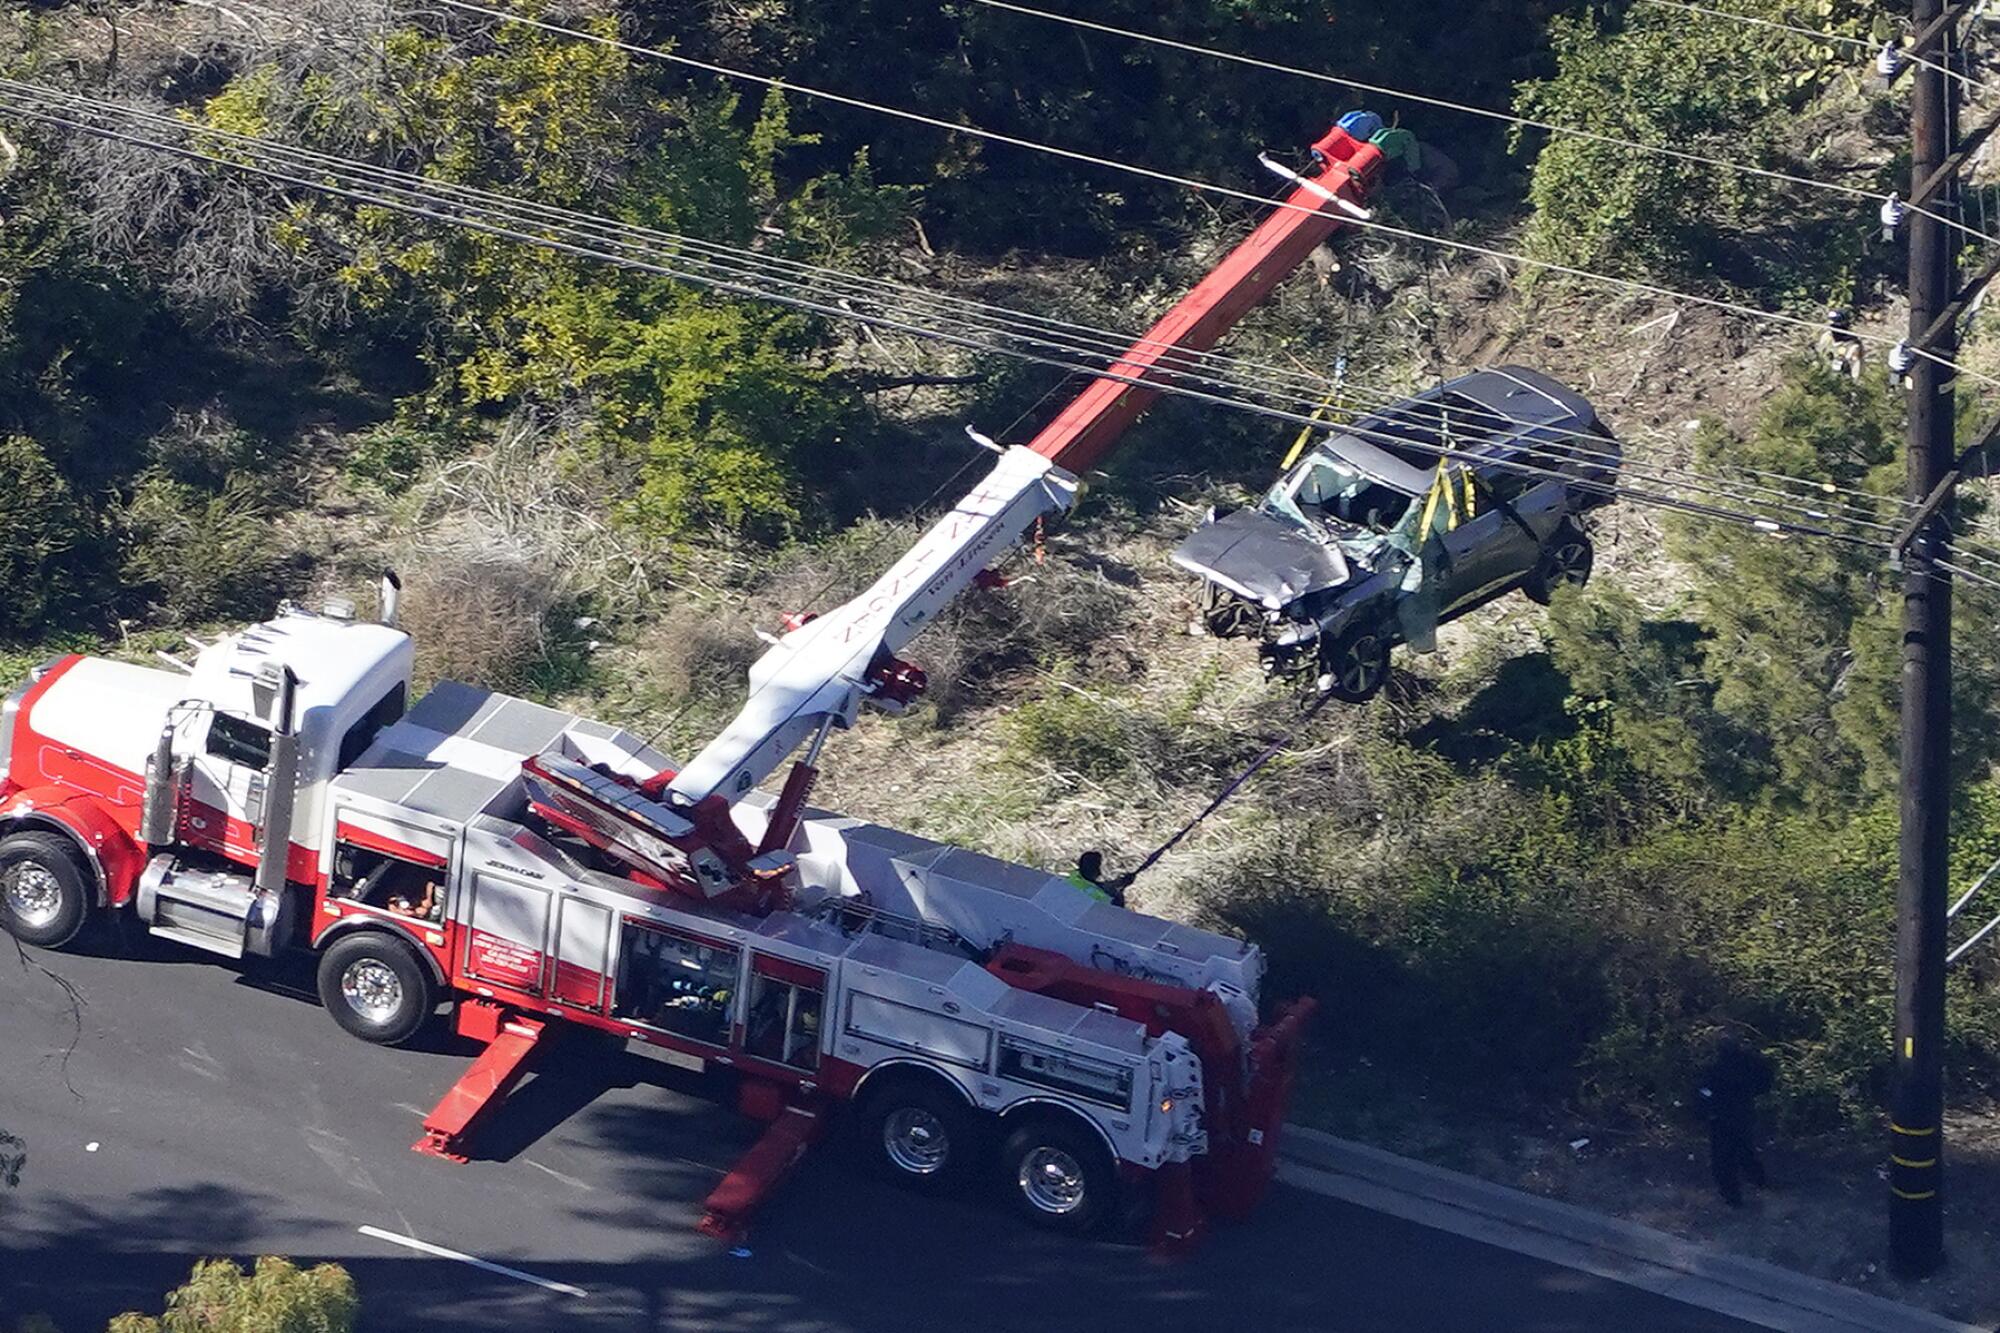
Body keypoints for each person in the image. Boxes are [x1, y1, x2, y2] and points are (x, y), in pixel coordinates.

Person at [1697, 1034, 1774, 1207]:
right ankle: (1758, 1180)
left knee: (1723, 1159)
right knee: (1745, 1149)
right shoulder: (1749, 1064)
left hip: (1721, 1118)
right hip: (1743, 1114)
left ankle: (1733, 1198)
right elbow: (1766, 1079)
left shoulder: (1715, 1069)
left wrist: (1705, 1111)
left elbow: (1704, 1092)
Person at [1067, 850, 1134, 908]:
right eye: (1098, 867)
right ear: (1094, 870)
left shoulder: (1072, 879)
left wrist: (1118, 883)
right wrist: (1119, 893)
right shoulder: (1095, 895)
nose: (1099, 871)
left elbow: (1097, 886)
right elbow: (1115, 908)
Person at [1817, 306, 1865, 382]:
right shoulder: (1826, 337)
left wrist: (1853, 382)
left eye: (1836, 324)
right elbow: (1819, 355)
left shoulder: (1853, 345)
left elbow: (1856, 368)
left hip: (1844, 381)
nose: (1833, 327)